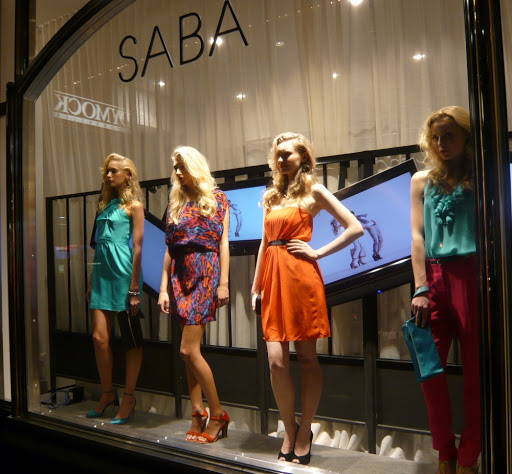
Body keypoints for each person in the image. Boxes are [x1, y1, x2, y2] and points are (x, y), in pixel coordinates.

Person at [251, 132, 364, 465]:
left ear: (303, 157)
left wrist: (317, 252)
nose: (281, 159)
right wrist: (256, 287)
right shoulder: (271, 196)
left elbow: (354, 227)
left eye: (288, 154)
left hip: (301, 279)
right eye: (278, 155)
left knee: (307, 359)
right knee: (276, 361)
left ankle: (304, 432)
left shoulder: (314, 191)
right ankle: (289, 429)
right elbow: (264, 243)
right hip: (273, 280)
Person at [410, 106, 480, 474]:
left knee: (477, 372)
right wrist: (420, 286)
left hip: (472, 274)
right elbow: (417, 237)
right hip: (433, 278)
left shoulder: (481, 177)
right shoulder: (421, 181)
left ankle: (469, 455)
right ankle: (444, 449)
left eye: (449, 135)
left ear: (466, 136)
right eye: (435, 137)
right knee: (429, 368)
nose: (441, 143)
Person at [158, 146, 230, 444]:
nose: (177, 172)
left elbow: (223, 243)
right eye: (175, 167)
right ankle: (197, 411)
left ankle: (218, 413)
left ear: (195, 166)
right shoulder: (175, 202)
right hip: (179, 274)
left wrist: (224, 283)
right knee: (191, 352)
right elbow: (169, 248)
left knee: (188, 350)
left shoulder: (217, 198)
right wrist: (163, 287)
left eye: (182, 167)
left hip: (205, 270)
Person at [86, 153, 144, 424]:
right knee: (99, 338)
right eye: (107, 172)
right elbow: (98, 246)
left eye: (114, 171)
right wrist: (91, 281)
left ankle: (129, 397)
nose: (109, 176)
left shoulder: (134, 206)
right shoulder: (104, 206)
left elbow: (138, 247)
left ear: (127, 174)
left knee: (131, 339)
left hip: (123, 274)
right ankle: (108, 393)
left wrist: (134, 288)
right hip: (102, 276)